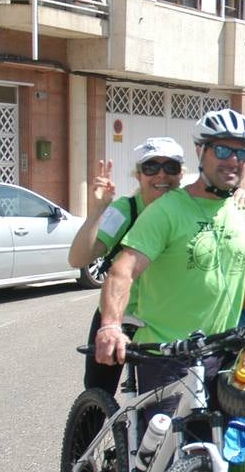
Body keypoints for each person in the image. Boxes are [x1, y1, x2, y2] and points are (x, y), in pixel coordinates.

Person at [94, 108, 245, 472]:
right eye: (222, 151)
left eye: (242, 153)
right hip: (163, 351)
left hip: (218, 351)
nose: (233, 160)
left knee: (211, 449)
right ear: (202, 153)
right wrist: (111, 325)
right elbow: (123, 268)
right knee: (169, 451)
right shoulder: (167, 210)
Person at [69, 137, 186, 396]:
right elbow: (78, 259)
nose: (161, 175)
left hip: (163, 321)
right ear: (138, 174)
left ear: (182, 174)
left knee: (164, 399)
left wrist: (240, 195)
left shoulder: (190, 208)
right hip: (119, 315)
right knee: (98, 393)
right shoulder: (127, 209)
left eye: (171, 167)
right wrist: (98, 210)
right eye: (151, 167)